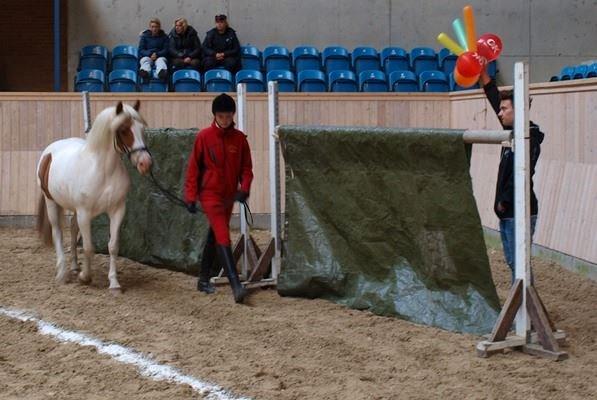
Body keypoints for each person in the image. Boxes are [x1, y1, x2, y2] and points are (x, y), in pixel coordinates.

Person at [184, 93, 253, 303]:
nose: (225, 120)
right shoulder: (203, 137)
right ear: (215, 115)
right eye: (221, 116)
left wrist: (245, 189)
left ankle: (203, 279)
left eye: (228, 116)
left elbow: (247, 169)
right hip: (210, 195)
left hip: (229, 196)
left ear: (233, 115)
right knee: (223, 235)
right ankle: (236, 286)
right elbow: (194, 169)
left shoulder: (240, 139)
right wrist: (190, 196)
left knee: (214, 236)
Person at [480, 68, 544, 284]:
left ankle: (526, 310)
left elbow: (522, 173)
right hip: (508, 211)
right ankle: (524, 308)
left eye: (504, 109)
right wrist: (483, 74)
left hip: (519, 211)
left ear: (519, 111)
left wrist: (504, 201)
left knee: (519, 265)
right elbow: (495, 98)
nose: (500, 113)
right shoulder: (512, 132)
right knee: (513, 263)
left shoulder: (530, 137)